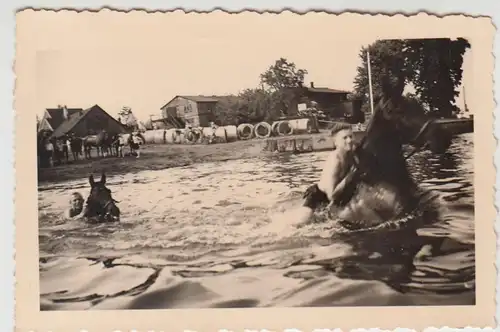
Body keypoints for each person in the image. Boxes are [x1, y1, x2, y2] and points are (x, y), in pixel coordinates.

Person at [294, 122, 358, 225]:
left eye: (351, 136)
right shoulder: (335, 160)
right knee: (300, 224)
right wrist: (350, 176)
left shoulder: (353, 152)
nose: (349, 140)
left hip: (339, 196)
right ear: (336, 142)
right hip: (319, 196)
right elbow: (331, 196)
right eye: (344, 138)